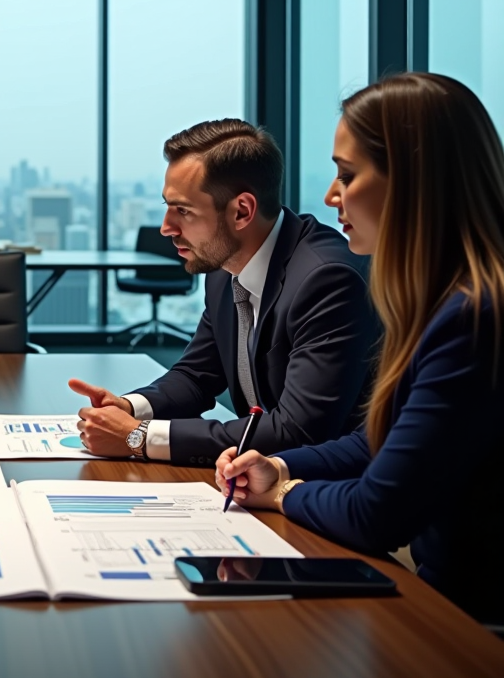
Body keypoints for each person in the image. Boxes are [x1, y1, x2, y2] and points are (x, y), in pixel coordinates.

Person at [217, 74, 504, 623]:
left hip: (472, 635)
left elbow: (379, 513)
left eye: (347, 174)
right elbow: (381, 443)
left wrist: (284, 493)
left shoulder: (475, 318)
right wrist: (276, 465)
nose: (331, 195)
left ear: (417, 181)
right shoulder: (446, 303)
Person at [70, 118, 378, 466]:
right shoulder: (222, 269)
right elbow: (196, 376)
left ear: (242, 211)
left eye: (183, 211)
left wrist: (138, 437)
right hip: (254, 481)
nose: (166, 228)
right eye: (168, 207)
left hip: (328, 492)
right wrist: (128, 409)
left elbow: (299, 431)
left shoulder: (327, 280)